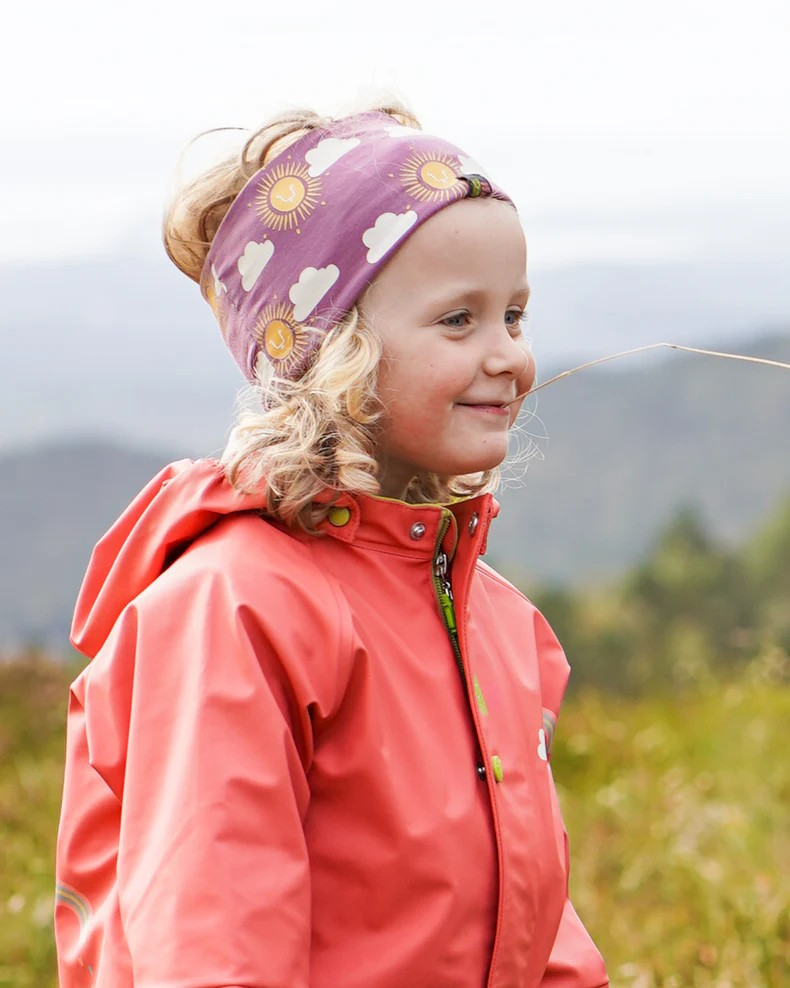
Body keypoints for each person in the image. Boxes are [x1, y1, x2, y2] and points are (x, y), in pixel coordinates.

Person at [55, 103, 608, 987]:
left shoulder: (500, 622)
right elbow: (214, 944)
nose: (508, 355)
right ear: (333, 352)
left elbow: (531, 912)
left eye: (514, 314)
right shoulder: (233, 610)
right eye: (458, 321)